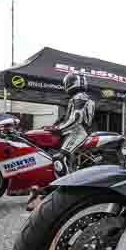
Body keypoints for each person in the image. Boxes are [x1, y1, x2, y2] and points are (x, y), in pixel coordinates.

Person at [26, 72, 95, 211]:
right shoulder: (77, 97)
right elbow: (66, 118)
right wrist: (53, 127)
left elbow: (76, 118)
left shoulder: (80, 97)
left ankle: (65, 195)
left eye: (68, 82)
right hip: (75, 130)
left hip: (79, 131)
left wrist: (59, 129)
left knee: (59, 157)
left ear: (71, 83)